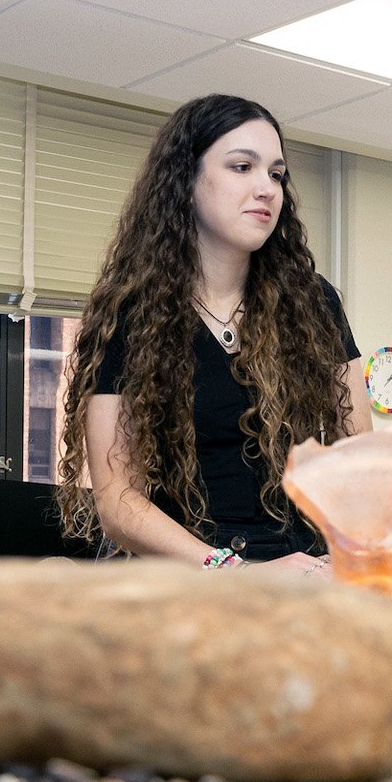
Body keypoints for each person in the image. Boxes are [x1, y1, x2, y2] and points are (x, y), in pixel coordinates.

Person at [57, 94, 366, 573]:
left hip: (301, 568)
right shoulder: (131, 313)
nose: (266, 187)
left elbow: (357, 460)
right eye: (242, 167)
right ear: (186, 181)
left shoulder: (314, 302)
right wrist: (233, 571)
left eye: (276, 174)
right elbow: (118, 502)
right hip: (186, 576)